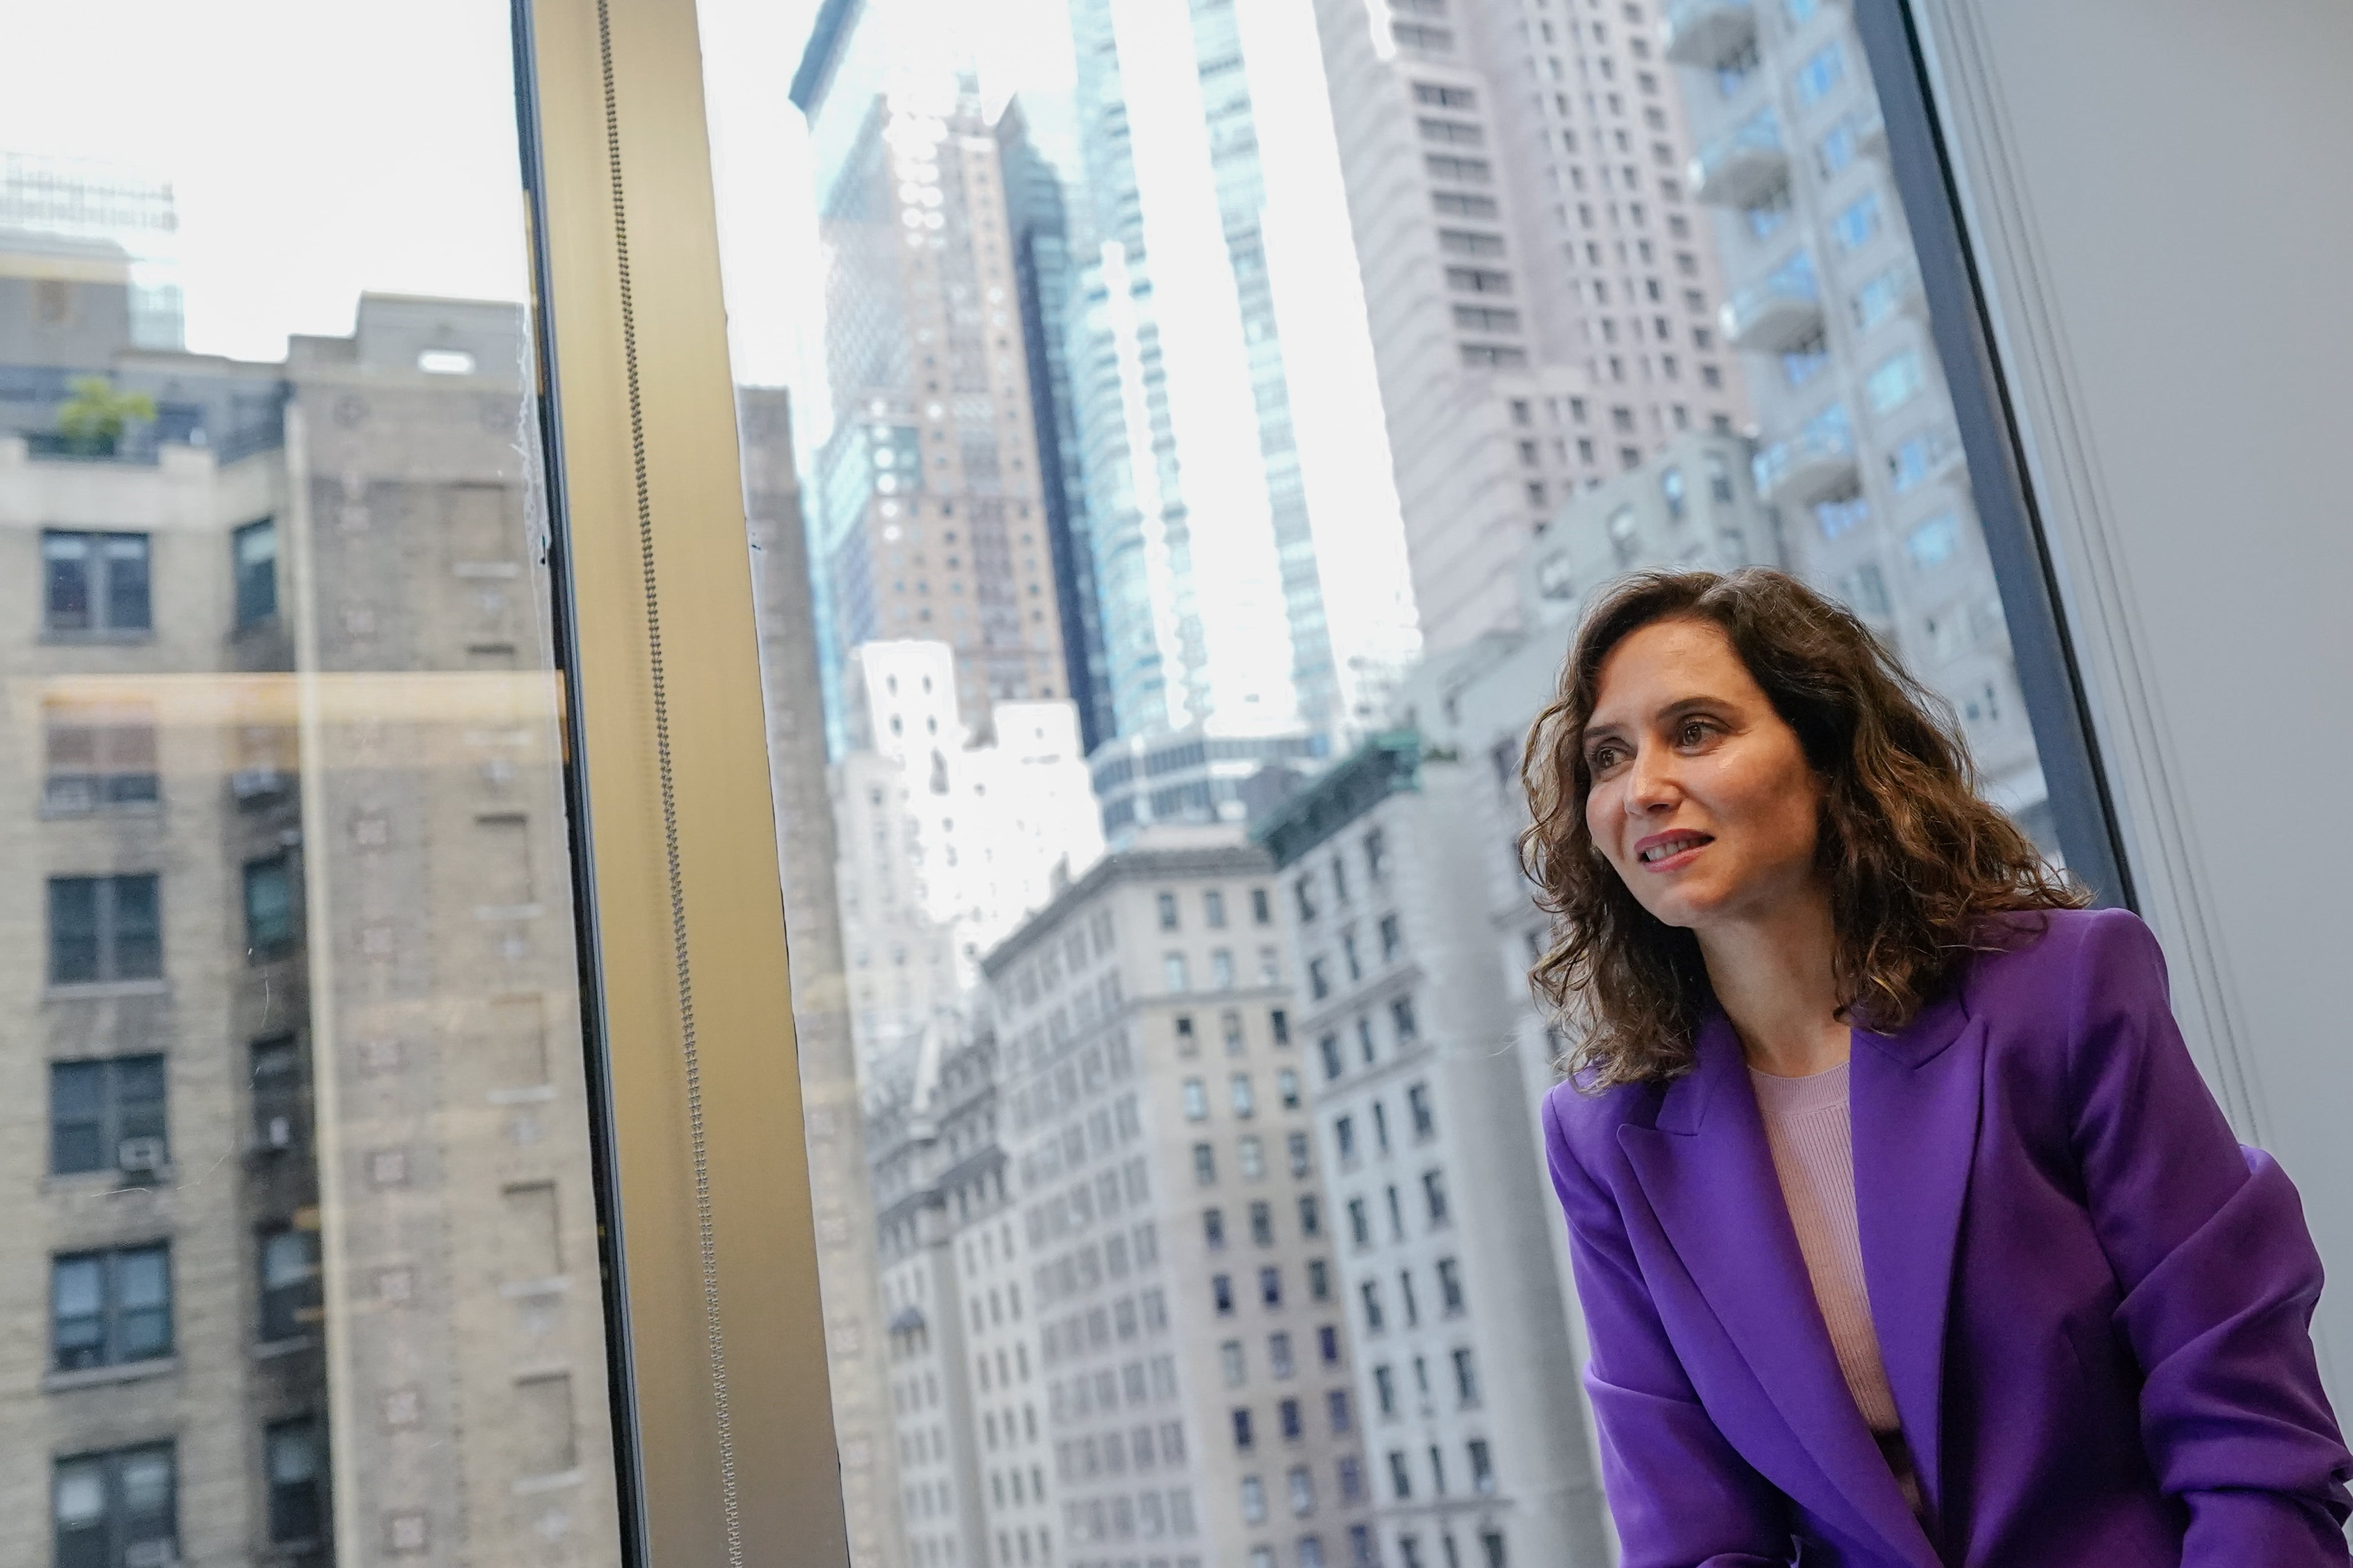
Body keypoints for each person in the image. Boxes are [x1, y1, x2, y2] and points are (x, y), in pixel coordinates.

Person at [1520, 568, 2351, 1566]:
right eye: (1607, 756)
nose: (1642, 787)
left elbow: (2245, 1415)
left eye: (1696, 731)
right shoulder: (1605, 1133)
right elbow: (1693, 1532)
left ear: (1826, 757)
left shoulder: (2064, 990)